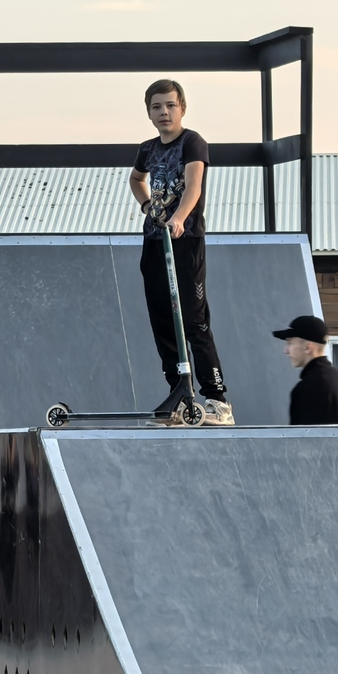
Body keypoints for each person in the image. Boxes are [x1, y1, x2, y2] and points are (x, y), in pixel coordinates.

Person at [130, 78, 232, 425]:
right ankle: (179, 393)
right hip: (154, 242)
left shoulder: (193, 142)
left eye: (170, 105)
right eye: (156, 107)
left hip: (184, 243)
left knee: (192, 319)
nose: (164, 112)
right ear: (149, 112)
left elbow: (193, 186)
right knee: (163, 322)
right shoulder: (147, 148)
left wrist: (178, 219)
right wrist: (148, 208)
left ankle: (216, 398)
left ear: (182, 108)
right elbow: (136, 179)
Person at [275, 315, 338, 425]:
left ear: (307, 347)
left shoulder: (308, 388)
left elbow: (303, 440)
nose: (286, 350)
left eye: (290, 343)